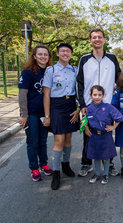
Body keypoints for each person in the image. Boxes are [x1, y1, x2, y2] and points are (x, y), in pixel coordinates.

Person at [76, 28, 121, 177]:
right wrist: (82, 104)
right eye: (94, 37)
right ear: (90, 41)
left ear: (104, 40)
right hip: (88, 106)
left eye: (99, 37)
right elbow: (79, 83)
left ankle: (109, 163)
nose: (97, 39)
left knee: (107, 135)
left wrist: (116, 100)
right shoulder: (84, 59)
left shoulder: (113, 58)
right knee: (87, 133)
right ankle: (86, 163)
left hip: (107, 106)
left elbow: (119, 80)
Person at [43, 43, 80, 190]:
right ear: (57, 54)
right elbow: (46, 94)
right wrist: (47, 115)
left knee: (69, 138)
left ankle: (66, 165)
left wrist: (78, 108)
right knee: (59, 139)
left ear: (71, 54)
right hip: (56, 106)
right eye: (62, 51)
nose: (65, 53)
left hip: (71, 104)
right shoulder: (50, 70)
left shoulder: (75, 70)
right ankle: (56, 172)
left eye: (68, 51)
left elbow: (79, 90)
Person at [18, 45, 53, 181]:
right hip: (31, 113)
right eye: (40, 54)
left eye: (45, 54)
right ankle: (34, 168)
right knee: (33, 142)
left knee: (43, 141)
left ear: (49, 57)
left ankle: (43, 164)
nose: (43, 57)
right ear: (34, 56)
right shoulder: (27, 72)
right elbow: (22, 95)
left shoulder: (49, 72)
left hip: (44, 113)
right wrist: (24, 115)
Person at [85, 85, 123, 184]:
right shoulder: (89, 108)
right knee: (96, 156)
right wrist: (86, 129)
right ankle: (97, 174)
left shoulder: (108, 107)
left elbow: (119, 117)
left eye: (99, 95)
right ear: (91, 95)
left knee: (106, 156)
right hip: (94, 135)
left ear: (103, 96)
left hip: (105, 135)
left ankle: (106, 174)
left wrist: (113, 127)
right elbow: (84, 120)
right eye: (95, 95)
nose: (97, 97)